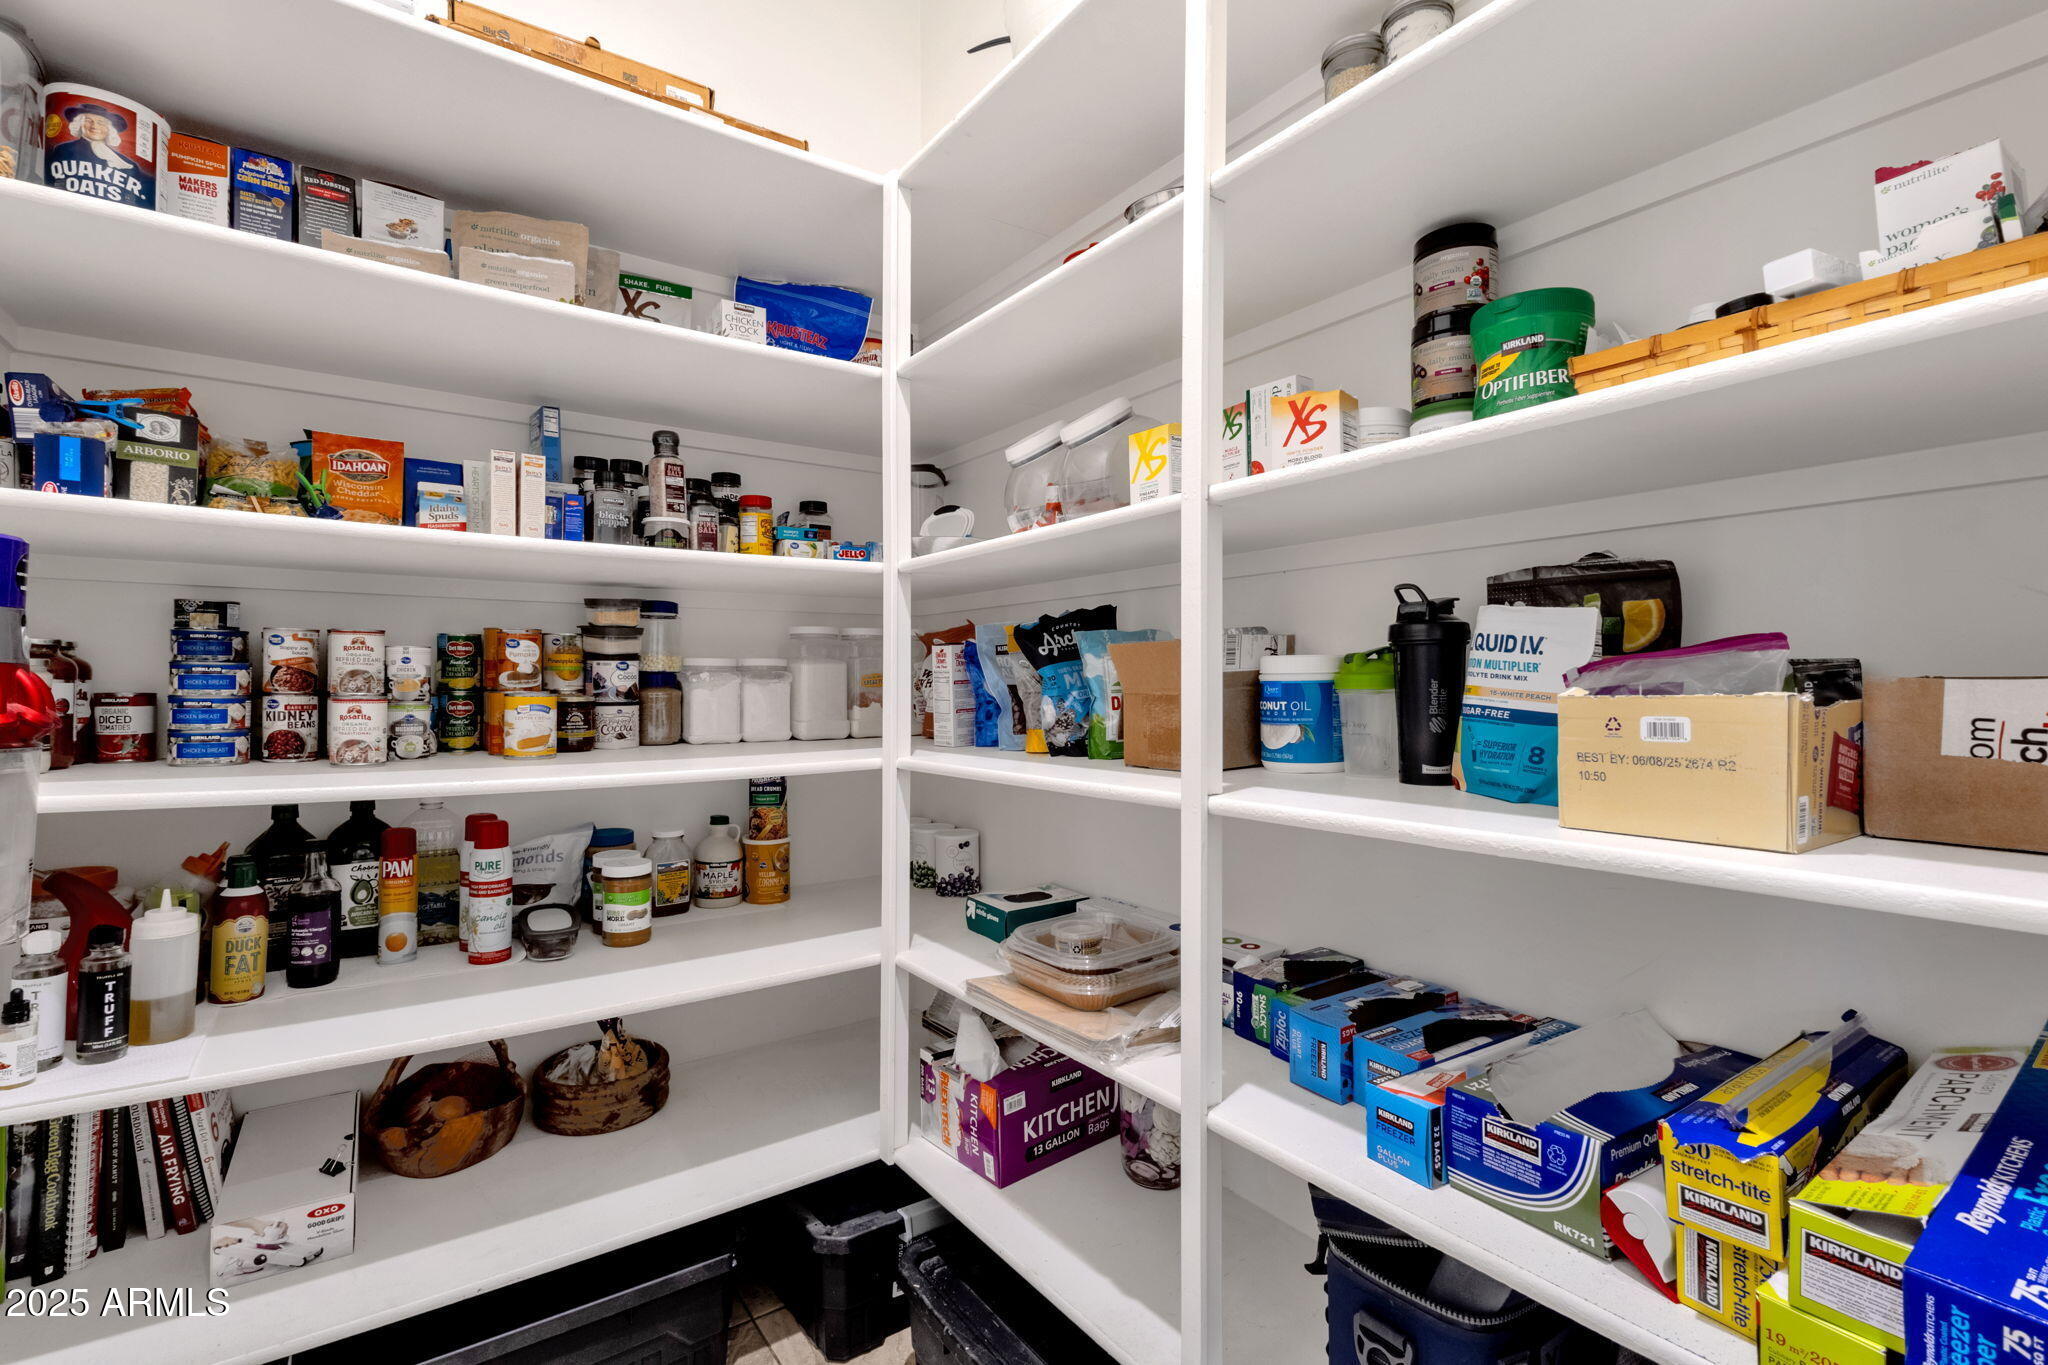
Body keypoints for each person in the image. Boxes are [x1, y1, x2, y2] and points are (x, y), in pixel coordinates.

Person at [44, 100, 152, 205]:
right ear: (79, 124)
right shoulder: (64, 150)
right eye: (88, 121)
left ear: (109, 129)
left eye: (101, 123)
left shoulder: (128, 164)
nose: (94, 126)